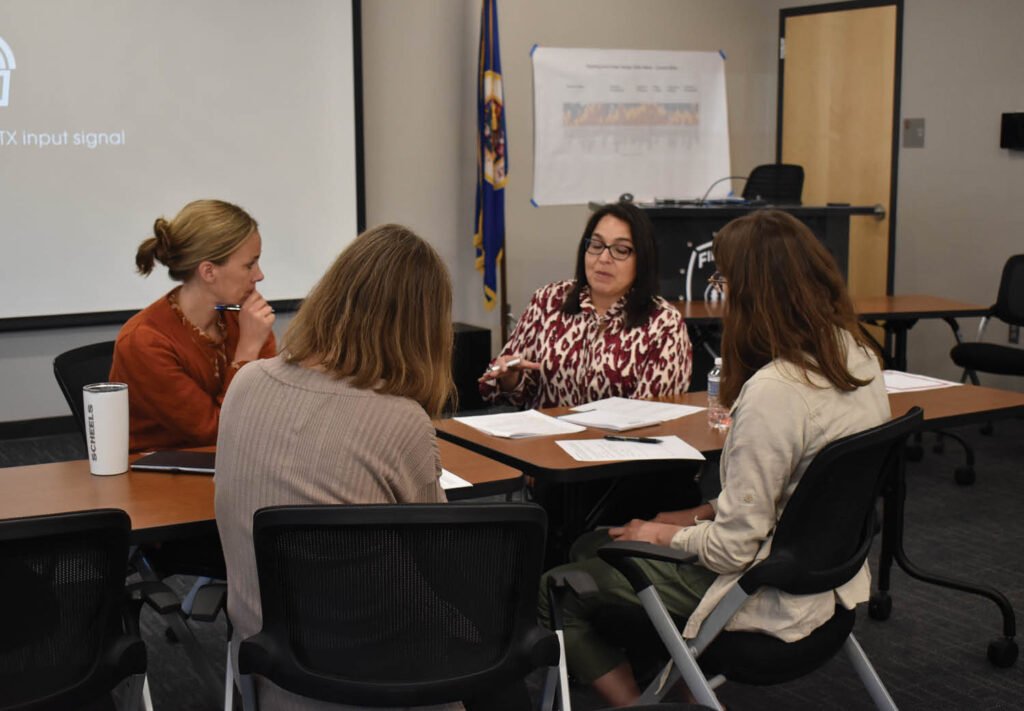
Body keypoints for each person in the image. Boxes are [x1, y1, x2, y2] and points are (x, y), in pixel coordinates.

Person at [538, 209, 892, 707]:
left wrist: (663, 534)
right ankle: (682, 684)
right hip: (829, 582)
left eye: (723, 278)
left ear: (751, 290)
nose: (719, 291)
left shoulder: (774, 391)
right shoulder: (857, 357)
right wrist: (697, 513)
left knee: (559, 584)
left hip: (763, 593)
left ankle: (649, 698)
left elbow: (731, 551)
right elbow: (801, 493)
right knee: (593, 544)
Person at [215, 225, 466, 710]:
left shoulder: (244, 384)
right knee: (507, 654)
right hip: (378, 682)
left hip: (267, 670)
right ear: (423, 327)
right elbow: (442, 562)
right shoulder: (400, 420)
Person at [479, 201, 692, 409]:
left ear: (643, 259)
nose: (604, 258)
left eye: (621, 250)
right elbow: (497, 388)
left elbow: (653, 414)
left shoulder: (664, 323)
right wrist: (510, 379)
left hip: (619, 443)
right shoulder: (549, 300)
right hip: (544, 441)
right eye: (597, 245)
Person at [110, 199, 276, 452]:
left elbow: (271, 409)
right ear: (208, 272)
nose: (259, 275)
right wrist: (247, 352)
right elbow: (213, 431)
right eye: (249, 264)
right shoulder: (145, 341)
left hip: (236, 461)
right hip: (159, 476)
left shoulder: (240, 317)